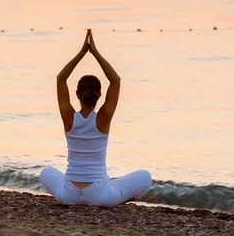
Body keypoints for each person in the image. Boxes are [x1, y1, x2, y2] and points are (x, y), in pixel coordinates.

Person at [40, 29, 152, 207]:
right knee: (145, 176)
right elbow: (115, 80)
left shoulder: (69, 118)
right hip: (99, 195)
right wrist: (95, 53)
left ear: (77, 94)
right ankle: (118, 197)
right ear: (100, 95)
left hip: (68, 194)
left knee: (46, 171)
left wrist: (82, 52)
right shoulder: (103, 118)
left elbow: (61, 79)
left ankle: (104, 193)